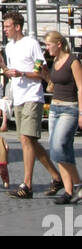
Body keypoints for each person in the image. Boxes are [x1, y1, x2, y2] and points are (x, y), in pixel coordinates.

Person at [0, 10, 61, 199]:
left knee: (26, 138)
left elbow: (40, 69)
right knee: (30, 140)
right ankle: (56, 177)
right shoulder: (9, 47)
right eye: (4, 26)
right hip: (18, 96)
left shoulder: (31, 43)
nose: (4, 29)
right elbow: (12, 72)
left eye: (7, 26)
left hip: (32, 96)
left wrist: (23, 73)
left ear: (17, 27)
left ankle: (27, 184)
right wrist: (3, 66)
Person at [40, 30, 82, 205]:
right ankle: (69, 190)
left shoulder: (73, 61)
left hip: (69, 108)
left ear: (58, 44)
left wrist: (81, 112)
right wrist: (44, 74)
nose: (47, 48)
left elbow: (80, 87)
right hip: (55, 108)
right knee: (63, 150)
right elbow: (52, 85)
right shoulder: (55, 60)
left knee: (58, 148)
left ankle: (78, 184)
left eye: (49, 45)